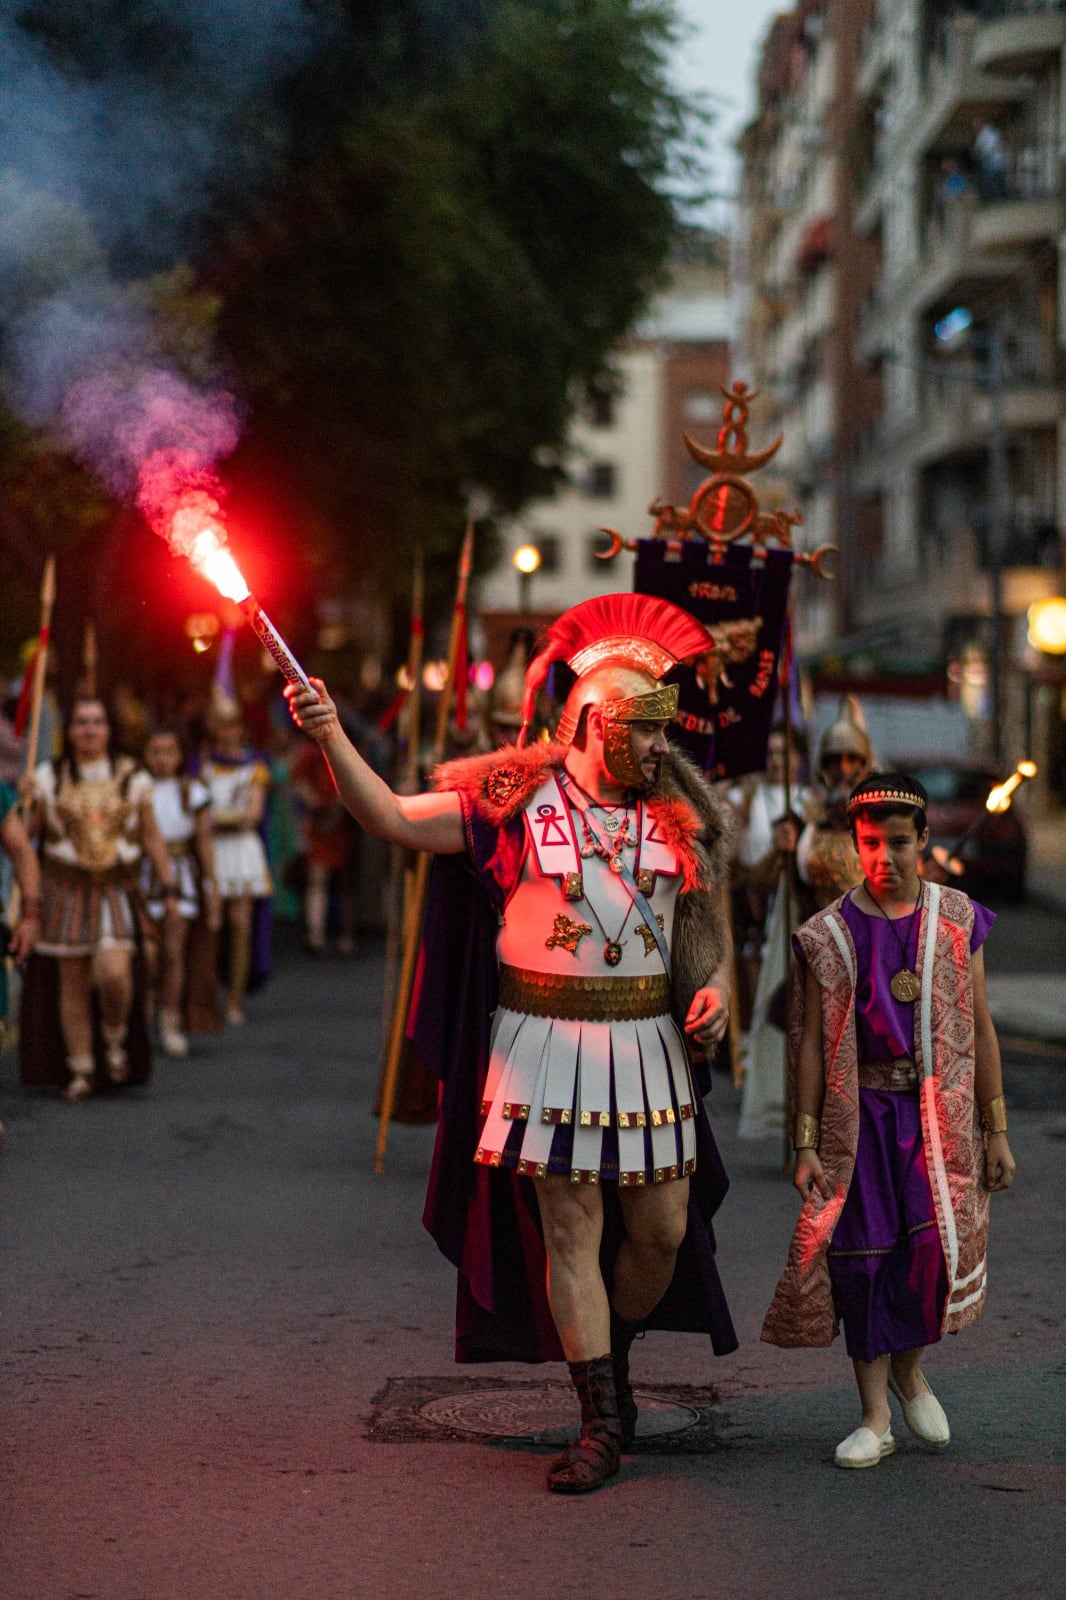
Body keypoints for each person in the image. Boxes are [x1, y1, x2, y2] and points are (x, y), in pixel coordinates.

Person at [287, 593, 738, 1494]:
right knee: (571, 1230)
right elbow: (391, 818)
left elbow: (707, 924)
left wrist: (718, 985)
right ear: (600, 723)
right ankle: (602, 1418)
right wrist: (333, 736)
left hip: (648, 1042)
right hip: (542, 1043)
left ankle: (607, 1360)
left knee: (659, 1231)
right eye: (646, 734)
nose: (660, 750)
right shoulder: (509, 805)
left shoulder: (674, 814)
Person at [762, 773, 1016, 1468]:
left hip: (937, 1120)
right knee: (863, 1266)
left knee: (928, 1258)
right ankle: (874, 1415)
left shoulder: (959, 920)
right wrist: (806, 1141)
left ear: (925, 841)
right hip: (860, 1121)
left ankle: (910, 1371)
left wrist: (995, 1129)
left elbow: (983, 1028)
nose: (885, 859)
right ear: (856, 844)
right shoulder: (827, 934)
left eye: (899, 843)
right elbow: (810, 1043)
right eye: (871, 844)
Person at [20, 697, 180, 1101]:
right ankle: (81, 1069)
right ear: (70, 731)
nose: (89, 730)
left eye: (97, 722)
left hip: (115, 889)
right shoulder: (48, 777)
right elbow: (26, 836)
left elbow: (150, 835)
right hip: (65, 888)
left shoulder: (132, 777)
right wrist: (24, 802)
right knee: (71, 979)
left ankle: (114, 1036)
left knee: (114, 972)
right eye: (81, 722)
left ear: (109, 729)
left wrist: (169, 886)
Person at [140, 728, 222, 1055]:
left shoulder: (193, 790)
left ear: (179, 754)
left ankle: (170, 1021)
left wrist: (212, 886)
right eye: (155, 751)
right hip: (143, 876)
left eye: (169, 750)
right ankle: (143, 1019)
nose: (162, 758)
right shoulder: (135, 787)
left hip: (181, 875)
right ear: (146, 755)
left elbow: (203, 842)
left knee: (174, 953)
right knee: (147, 956)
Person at [199, 702, 272, 1024]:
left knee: (240, 923)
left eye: (232, 725)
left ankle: (235, 999)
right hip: (210, 848)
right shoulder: (201, 765)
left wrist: (216, 819)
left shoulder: (253, 767)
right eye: (221, 725)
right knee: (211, 924)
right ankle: (208, 993)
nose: (227, 732)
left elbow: (252, 816)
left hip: (240, 850)